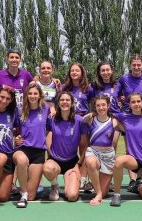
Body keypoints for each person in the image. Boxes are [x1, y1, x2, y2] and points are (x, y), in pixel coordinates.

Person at [110, 93, 142, 207]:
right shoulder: (124, 116)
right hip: (134, 159)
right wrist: (119, 126)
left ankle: (138, 186)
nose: (136, 104)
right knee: (118, 162)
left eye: (138, 101)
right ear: (129, 104)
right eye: (133, 102)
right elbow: (110, 114)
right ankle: (117, 194)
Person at [42, 91, 88, 202]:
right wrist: (50, 154)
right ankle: (55, 185)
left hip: (72, 162)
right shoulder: (51, 119)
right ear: (58, 102)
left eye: (67, 100)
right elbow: (47, 136)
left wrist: (79, 166)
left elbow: (85, 146)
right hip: (55, 160)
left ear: (72, 103)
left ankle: (70, 180)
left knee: (72, 196)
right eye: (62, 100)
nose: (65, 102)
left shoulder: (79, 120)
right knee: (47, 168)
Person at [117, 54, 142, 190]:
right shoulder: (124, 78)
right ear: (130, 65)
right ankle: (132, 180)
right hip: (128, 118)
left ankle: (140, 178)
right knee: (130, 149)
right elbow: (116, 94)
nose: (136, 67)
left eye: (139, 64)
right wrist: (120, 101)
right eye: (134, 64)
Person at [13, 83, 49, 208]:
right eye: (30, 93)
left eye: (35, 93)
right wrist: (15, 138)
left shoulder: (46, 109)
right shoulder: (20, 110)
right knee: (22, 161)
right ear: (26, 95)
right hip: (22, 149)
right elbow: (12, 129)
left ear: (40, 95)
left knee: (32, 196)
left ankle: (27, 190)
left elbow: (50, 129)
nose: (32, 96)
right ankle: (23, 195)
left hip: (38, 152)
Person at [84, 95, 122, 206]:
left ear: (108, 106)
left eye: (103, 105)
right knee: (91, 162)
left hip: (108, 155)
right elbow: (81, 120)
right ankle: (98, 193)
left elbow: (128, 129)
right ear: (94, 107)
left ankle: (100, 191)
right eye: (98, 105)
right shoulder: (91, 119)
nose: (101, 108)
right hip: (93, 151)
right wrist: (90, 114)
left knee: (105, 192)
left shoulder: (114, 121)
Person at [62, 62, 93, 190]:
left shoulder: (88, 88)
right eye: (72, 70)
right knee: (70, 149)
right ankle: (71, 175)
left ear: (82, 73)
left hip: (83, 122)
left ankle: (84, 179)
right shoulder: (64, 87)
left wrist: (91, 115)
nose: (74, 73)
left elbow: (95, 103)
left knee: (84, 148)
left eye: (77, 71)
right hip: (68, 122)